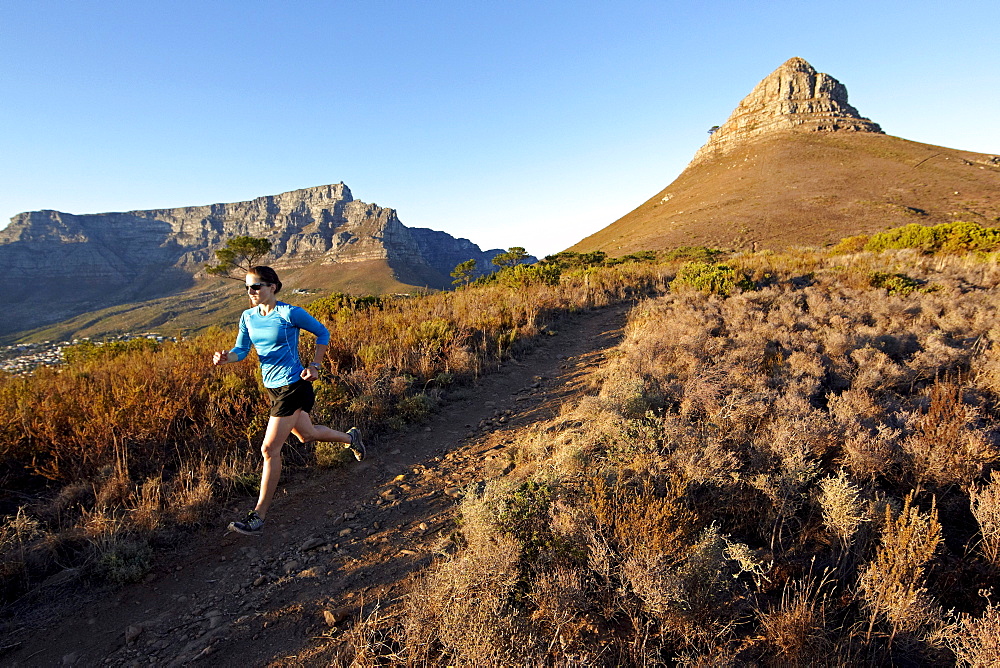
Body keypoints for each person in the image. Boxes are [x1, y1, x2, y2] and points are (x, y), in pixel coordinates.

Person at [212, 266, 365, 536]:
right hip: (272, 387)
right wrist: (227, 358)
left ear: (273, 287)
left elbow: (323, 333)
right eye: (247, 287)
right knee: (307, 435)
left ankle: (258, 516)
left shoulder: (289, 313)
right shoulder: (247, 317)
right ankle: (352, 439)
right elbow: (242, 350)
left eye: (256, 286)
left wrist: (315, 365)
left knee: (269, 449)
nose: (251, 292)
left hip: (293, 385)